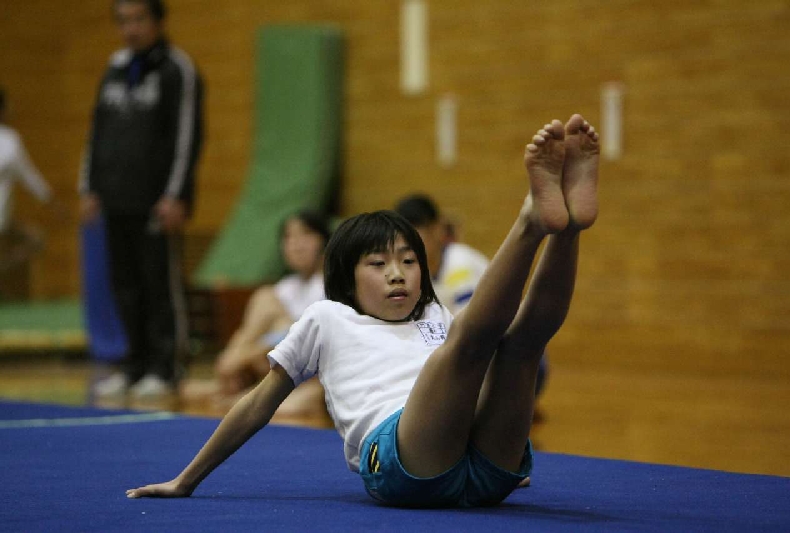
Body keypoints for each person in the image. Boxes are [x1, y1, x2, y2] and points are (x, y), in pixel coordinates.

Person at [127, 113, 599, 508]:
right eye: (378, 264)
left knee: (520, 348)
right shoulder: (328, 318)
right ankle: (530, 222)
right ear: (346, 279)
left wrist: (501, 434)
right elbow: (258, 403)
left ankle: (568, 228)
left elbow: (485, 375)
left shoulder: (434, 315)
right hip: (401, 462)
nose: (398, 274)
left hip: (486, 470)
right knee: (468, 348)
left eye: (410, 262)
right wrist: (187, 478)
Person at [80, 0, 204, 399]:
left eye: (138, 20)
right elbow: (96, 132)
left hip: (156, 202)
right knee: (124, 284)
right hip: (115, 199)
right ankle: (133, 363)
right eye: (123, 21)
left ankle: (164, 366)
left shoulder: (176, 69)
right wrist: (90, 187)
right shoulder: (113, 69)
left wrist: (175, 194)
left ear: (157, 21)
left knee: (158, 284)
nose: (130, 29)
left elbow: (187, 137)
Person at [395, 193, 550, 401]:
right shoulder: (414, 275)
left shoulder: (460, 264)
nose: (411, 250)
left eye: (417, 240)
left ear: (437, 230)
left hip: (515, 358)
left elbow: (472, 332)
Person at [187, 210, 330, 415]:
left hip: (312, 368)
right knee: (264, 298)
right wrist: (246, 353)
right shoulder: (285, 287)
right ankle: (233, 376)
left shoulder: (331, 285)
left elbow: (308, 337)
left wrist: (247, 355)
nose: (297, 244)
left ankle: (238, 383)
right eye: (289, 237)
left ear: (323, 241)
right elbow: (259, 331)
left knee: (272, 312)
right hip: (277, 363)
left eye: (305, 235)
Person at [0, 87, 54, 276]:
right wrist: (52, 201)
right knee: (36, 240)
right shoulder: (8, 140)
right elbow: (30, 178)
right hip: (2, 217)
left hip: (4, 219)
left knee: (35, 239)